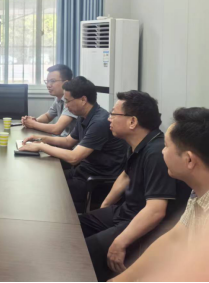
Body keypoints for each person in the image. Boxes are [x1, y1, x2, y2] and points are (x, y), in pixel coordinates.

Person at [80, 91, 187, 282]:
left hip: (143, 222)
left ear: (132, 122)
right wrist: (104, 207)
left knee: (86, 252)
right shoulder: (136, 144)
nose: (109, 119)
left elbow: (155, 211)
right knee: (76, 226)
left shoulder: (156, 153)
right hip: (125, 211)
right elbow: (126, 175)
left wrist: (119, 243)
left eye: (113, 114)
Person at [113, 107, 209, 282]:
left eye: (166, 146)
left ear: (189, 160)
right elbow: (175, 238)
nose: (162, 151)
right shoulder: (198, 191)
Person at [20, 76, 128, 213]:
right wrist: (41, 139)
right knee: (43, 179)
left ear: (83, 100)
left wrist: (41, 146)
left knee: (45, 191)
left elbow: (74, 158)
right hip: (83, 171)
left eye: (68, 101)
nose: (66, 106)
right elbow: (68, 141)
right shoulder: (84, 116)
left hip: (96, 180)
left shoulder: (99, 122)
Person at [22, 64, 77, 137]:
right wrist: (33, 121)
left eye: (52, 81)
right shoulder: (59, 98)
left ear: (66, 83)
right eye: (47, 81)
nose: (48, 85)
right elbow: (47, 116)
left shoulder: (72, 100)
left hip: (71, 142)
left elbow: (57, 129)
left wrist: (33, 124)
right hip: (63, 139)